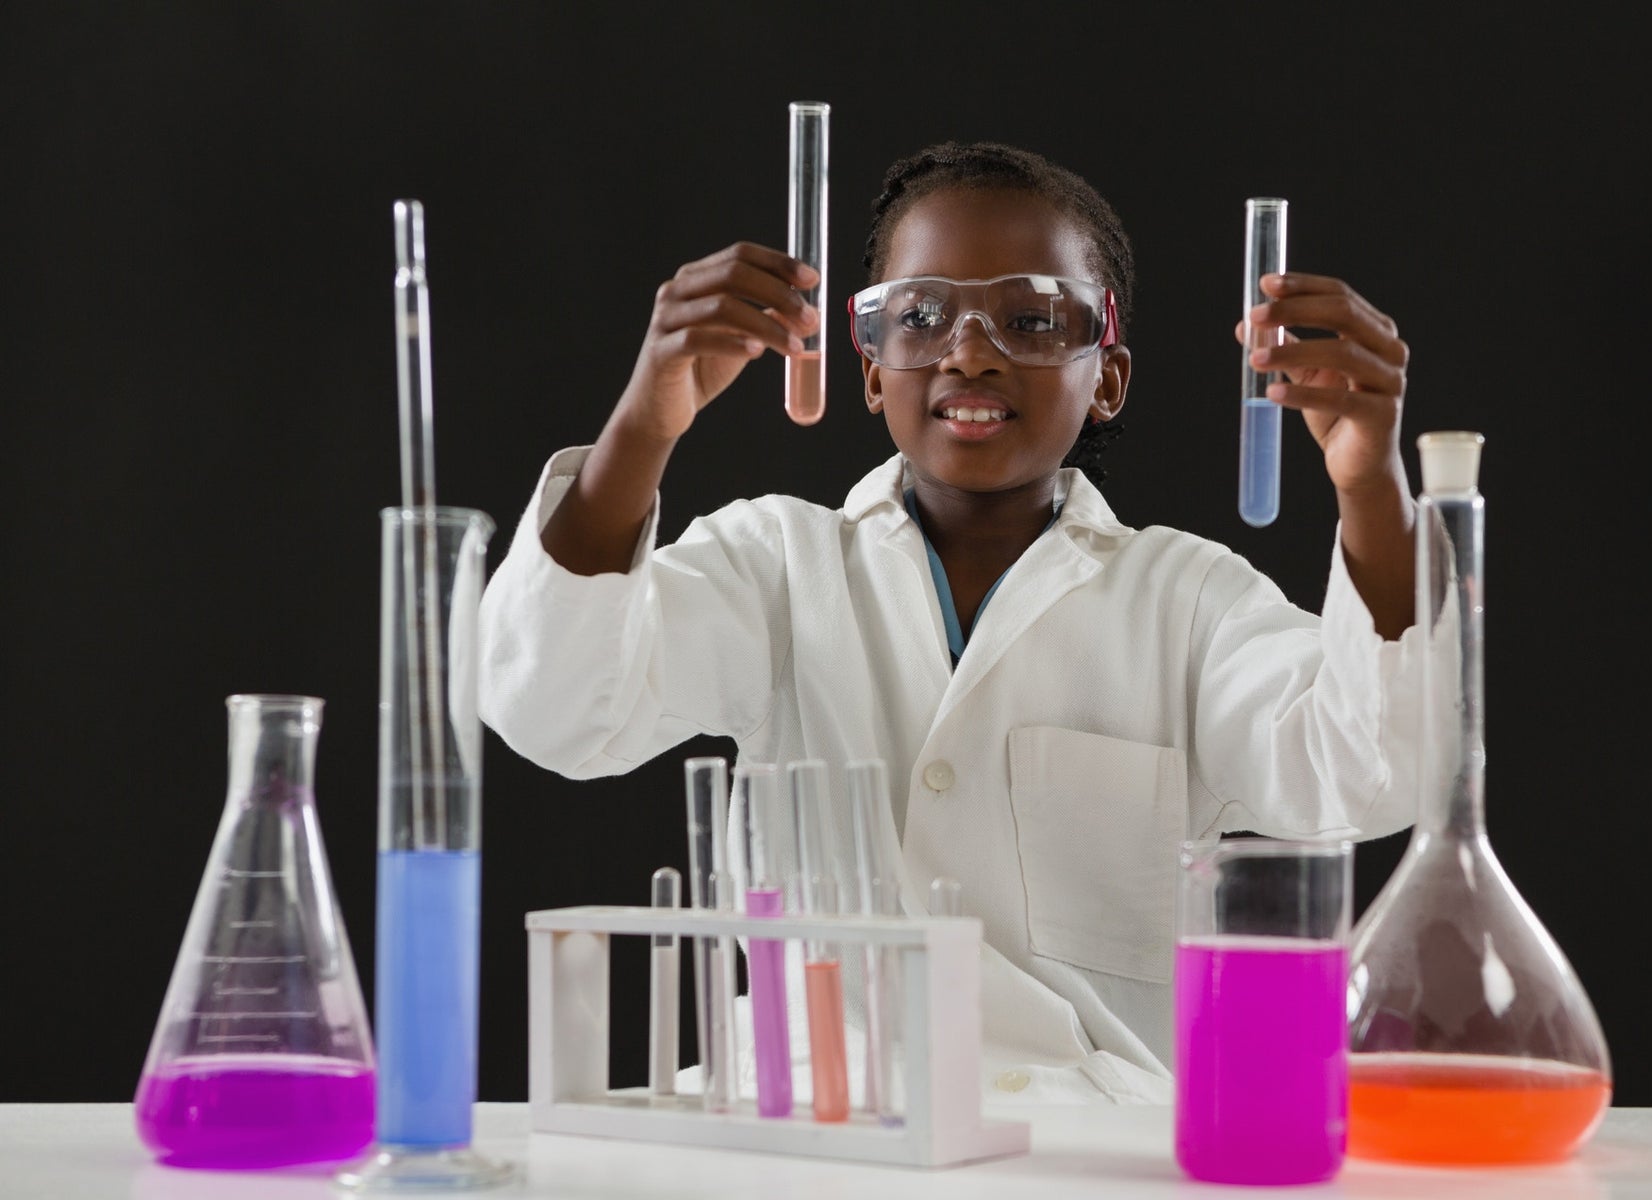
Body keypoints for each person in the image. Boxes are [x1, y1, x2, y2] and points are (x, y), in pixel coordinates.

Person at [478, 141, 1422, 1104]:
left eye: (1032, 319)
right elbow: (552, 706)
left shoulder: (1186, 600)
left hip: (1077, 1143)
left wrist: (1370, 486)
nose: (970, 351)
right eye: (921, 317)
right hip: (814, 1131)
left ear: (1108, 377)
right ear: (872, 369)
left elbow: (1370, 769)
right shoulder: (776, 567)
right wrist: (646, 424)